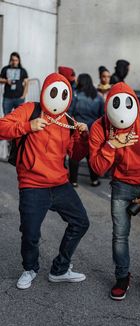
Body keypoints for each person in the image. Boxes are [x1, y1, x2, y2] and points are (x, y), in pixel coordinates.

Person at [0, 73, 90, 289]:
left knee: (81, 222)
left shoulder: (68, 120)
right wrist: (28, 126)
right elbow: (2, 128)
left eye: (63, 93)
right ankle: (30, 269)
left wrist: (83, 136)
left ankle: (60, 269)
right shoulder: (31, 109)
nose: (58, 97)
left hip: (60, 184)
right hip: (32, 184)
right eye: (54, 91)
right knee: (30, 232)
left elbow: (76, 155)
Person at [89, 82, 140, 301]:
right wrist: (111, 145)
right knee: (120, 235)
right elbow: (97, 168)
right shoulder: (100, 127)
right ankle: (122, 277)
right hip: (122, 185)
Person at [69, 73, 104, 187]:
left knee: (75, 154)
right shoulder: (98, 97)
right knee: (91, 155)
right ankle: (94, 180)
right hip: (93, 130)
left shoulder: (76, 95)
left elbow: (70, 112)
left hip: (78, 129)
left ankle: (73, 181)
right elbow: (102, 116)